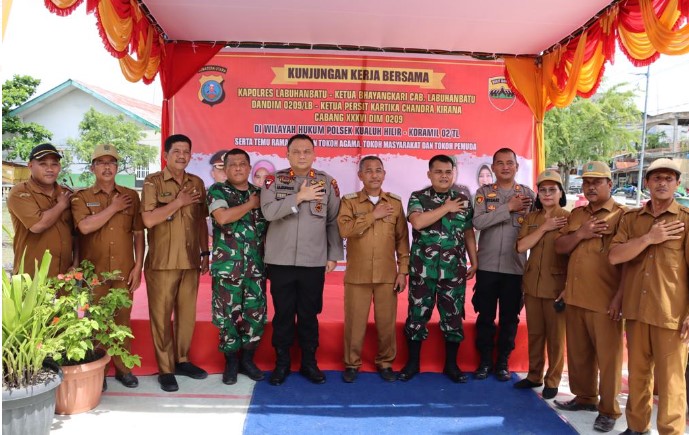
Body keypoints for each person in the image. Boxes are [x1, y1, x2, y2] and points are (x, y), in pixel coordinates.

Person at [609, 158, 689, 435]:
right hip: (636, 310)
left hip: (671, 315)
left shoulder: (685, 221)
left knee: (671, 382)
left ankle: (671, 432)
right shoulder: (632, 220)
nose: (662, 183)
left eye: (669, 178)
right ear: (647, 183)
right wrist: (648, 239)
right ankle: (636, 427)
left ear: (678, 184)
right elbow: (614, 256)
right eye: (657, 178)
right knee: (639, 376)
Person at [260, 133, 344, 386]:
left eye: (307, 151)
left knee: (309, 315)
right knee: (283, 315)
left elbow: (333, 222)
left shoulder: (327, 182)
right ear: (287, 154)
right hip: (281, 261)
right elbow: (268, 212)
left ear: (314, 154)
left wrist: (333, 255)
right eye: (296, 151)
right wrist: (299, 197)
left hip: (313, 261)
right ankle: (282, 364)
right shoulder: (273, 180)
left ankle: (309, 363)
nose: (302, 156)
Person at [553, 161, 625, 433]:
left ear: (610, 184)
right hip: (575, 296)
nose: (591, 186)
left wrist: (620, 296)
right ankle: (585, 398)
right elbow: (561, 246)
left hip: (606, 300)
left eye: (598, 181)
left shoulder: (622, 216)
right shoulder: (577, 214)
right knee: (580, 354)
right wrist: (581, 234)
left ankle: (609, 410)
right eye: (586, 182)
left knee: (608, 359)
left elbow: (629, 262)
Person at [398, 154, 478, 383]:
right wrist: (446, 207)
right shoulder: (418, 197)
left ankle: (451, 366)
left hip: (453, 271)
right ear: (429, 174)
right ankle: (412, 364)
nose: (444, 176)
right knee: (416, 316)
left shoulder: (463, 199)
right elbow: (418, 222)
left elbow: (468, 232)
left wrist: (475, 260)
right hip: (423, 272)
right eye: (439, 172)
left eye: (448, 172)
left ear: (454, 173)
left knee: (453, 317)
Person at [71, 144, 144, 390]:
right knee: (95, 321)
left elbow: (137, 234)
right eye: (101, 162)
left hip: (124, 270)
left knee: (122, 320)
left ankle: (124, 369)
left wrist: (138, 266)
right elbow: (85, 227)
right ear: (92, 167)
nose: (106, 167)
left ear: (117, 167)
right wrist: (113, 207)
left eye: (111, 162)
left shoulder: (131, 196)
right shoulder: (81, 197)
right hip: (94, 273)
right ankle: (98, 371)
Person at [141, 134, 210, 392]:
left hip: (191, 260)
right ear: (166, 154)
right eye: (177, 151)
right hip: (162, 262)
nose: (182, 155)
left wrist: (205, 253)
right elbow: (148, 219)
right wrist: (178, 202)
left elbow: (201, 221)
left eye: (186, 151)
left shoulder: (197, 183)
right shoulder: (153, 182)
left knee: (186, 315)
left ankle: (182, 360)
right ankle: (166, 368)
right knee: (160, 317)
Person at [337, 156, 409, 383]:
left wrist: (403, 271)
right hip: (357, 275)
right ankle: (351, 363)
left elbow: (402, 241)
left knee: (386, 323)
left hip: (387, 275)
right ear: (360, 176)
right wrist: (373, 215)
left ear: (384, 174)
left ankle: (386, 362)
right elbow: (344, 229)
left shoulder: (395, 203)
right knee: (354, 323)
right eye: (368, 171)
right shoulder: (348, 202)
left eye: (378, 170)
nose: (374, 175)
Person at [472, 148, 535, 381]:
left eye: (510, 163)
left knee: (510, 317)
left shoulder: (529, 195)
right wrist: (507, 208)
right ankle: (485, 362)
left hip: (515, 268)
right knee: (485, 316)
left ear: (517, 167)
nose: (505, 167)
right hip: (487, 266)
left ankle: (503, 363)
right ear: (493, 167)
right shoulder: (483, 193)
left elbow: (538, 228)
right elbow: (477, 222)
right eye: (500, 163)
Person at [207, 148, 268, 385]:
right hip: (227, 269)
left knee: (255, 316)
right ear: (226, 168)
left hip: (255, 268)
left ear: (250, 167)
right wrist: (250, 205)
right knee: (227, 319)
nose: (239, 168)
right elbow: (222, 217)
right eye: (233, 164)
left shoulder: (261, 193)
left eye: (243, 164)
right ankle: (231, 362)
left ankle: (248, 360)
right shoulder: (218, 190)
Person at [514, 170, 569, 400]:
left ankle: (552, 380)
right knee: (536, 334)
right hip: (532, 285)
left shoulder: (569, 217)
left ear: (561, 193)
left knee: (556, 337)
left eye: (552, 189)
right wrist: (545, 228)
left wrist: (569, 287)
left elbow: (573, 254)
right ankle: (534, 375)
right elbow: (521, 246)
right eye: (543, 190)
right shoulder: (532, 218)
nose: (547, 194)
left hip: (556, 287)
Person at [7, 143, 76, 277]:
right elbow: (37, 225)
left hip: (64, 276)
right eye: (43, 164)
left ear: (59, 167)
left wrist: (76, 263)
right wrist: (61, 205)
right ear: (30, 166)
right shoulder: (20, 192)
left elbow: (76, 234)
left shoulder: (66, 193)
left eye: (54, 164)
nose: (49, 169)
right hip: (32, 275)